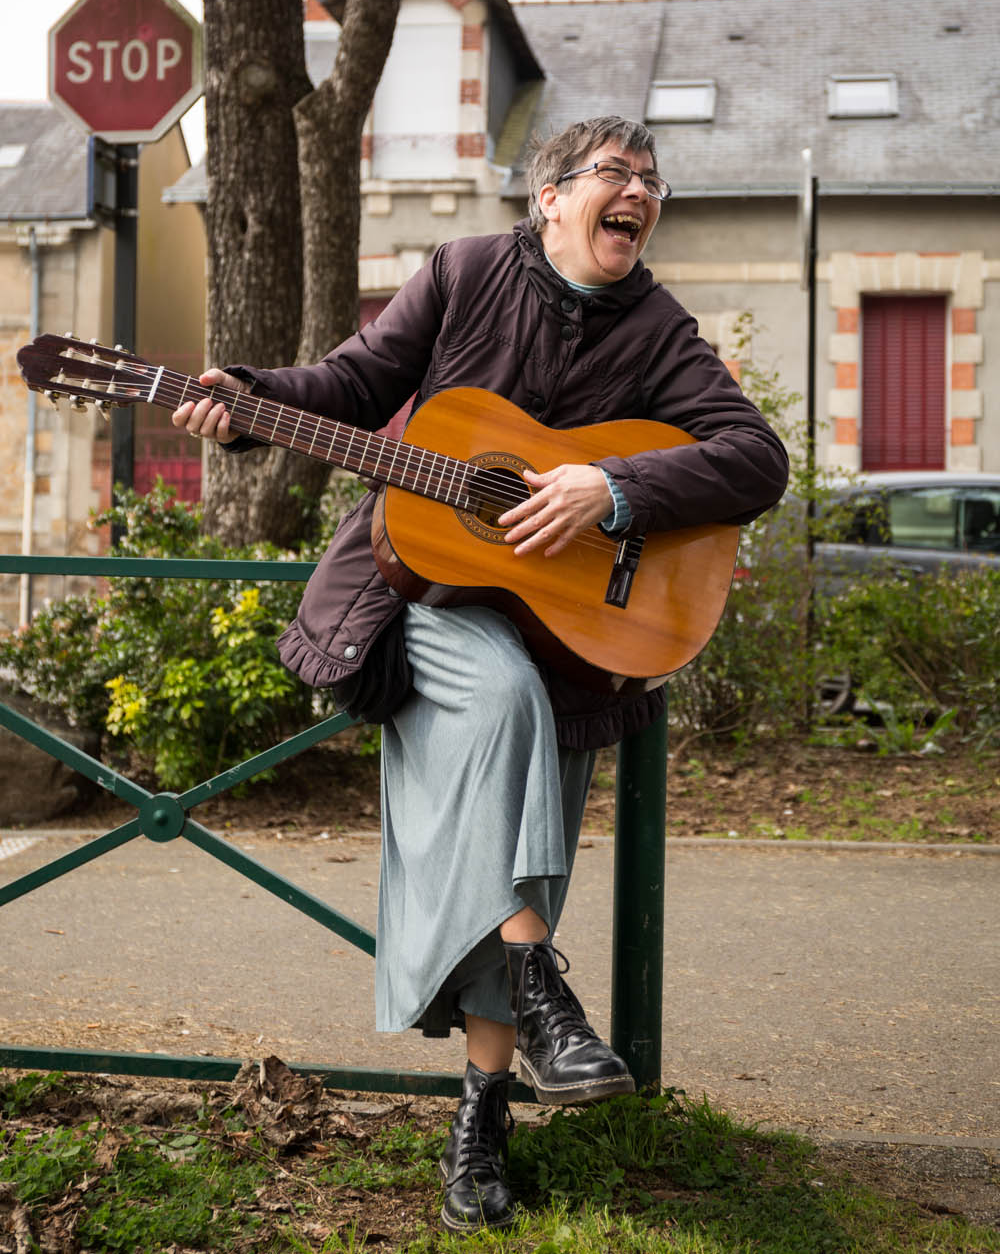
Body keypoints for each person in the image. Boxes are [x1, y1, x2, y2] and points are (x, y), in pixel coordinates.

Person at [174, 116, 789, 1231]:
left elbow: (757, 458)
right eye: (616, 173)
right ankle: (539, 978)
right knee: (503, 713)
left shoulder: (654, 326)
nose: (639, 192)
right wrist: (248, 400)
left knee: (523, 825)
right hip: (415, 602)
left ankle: (484, 1108)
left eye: (652, 181)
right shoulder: (462, 273)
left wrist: (610, 493)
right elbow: (358, 384)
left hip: (565, 631)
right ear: (548, 194)